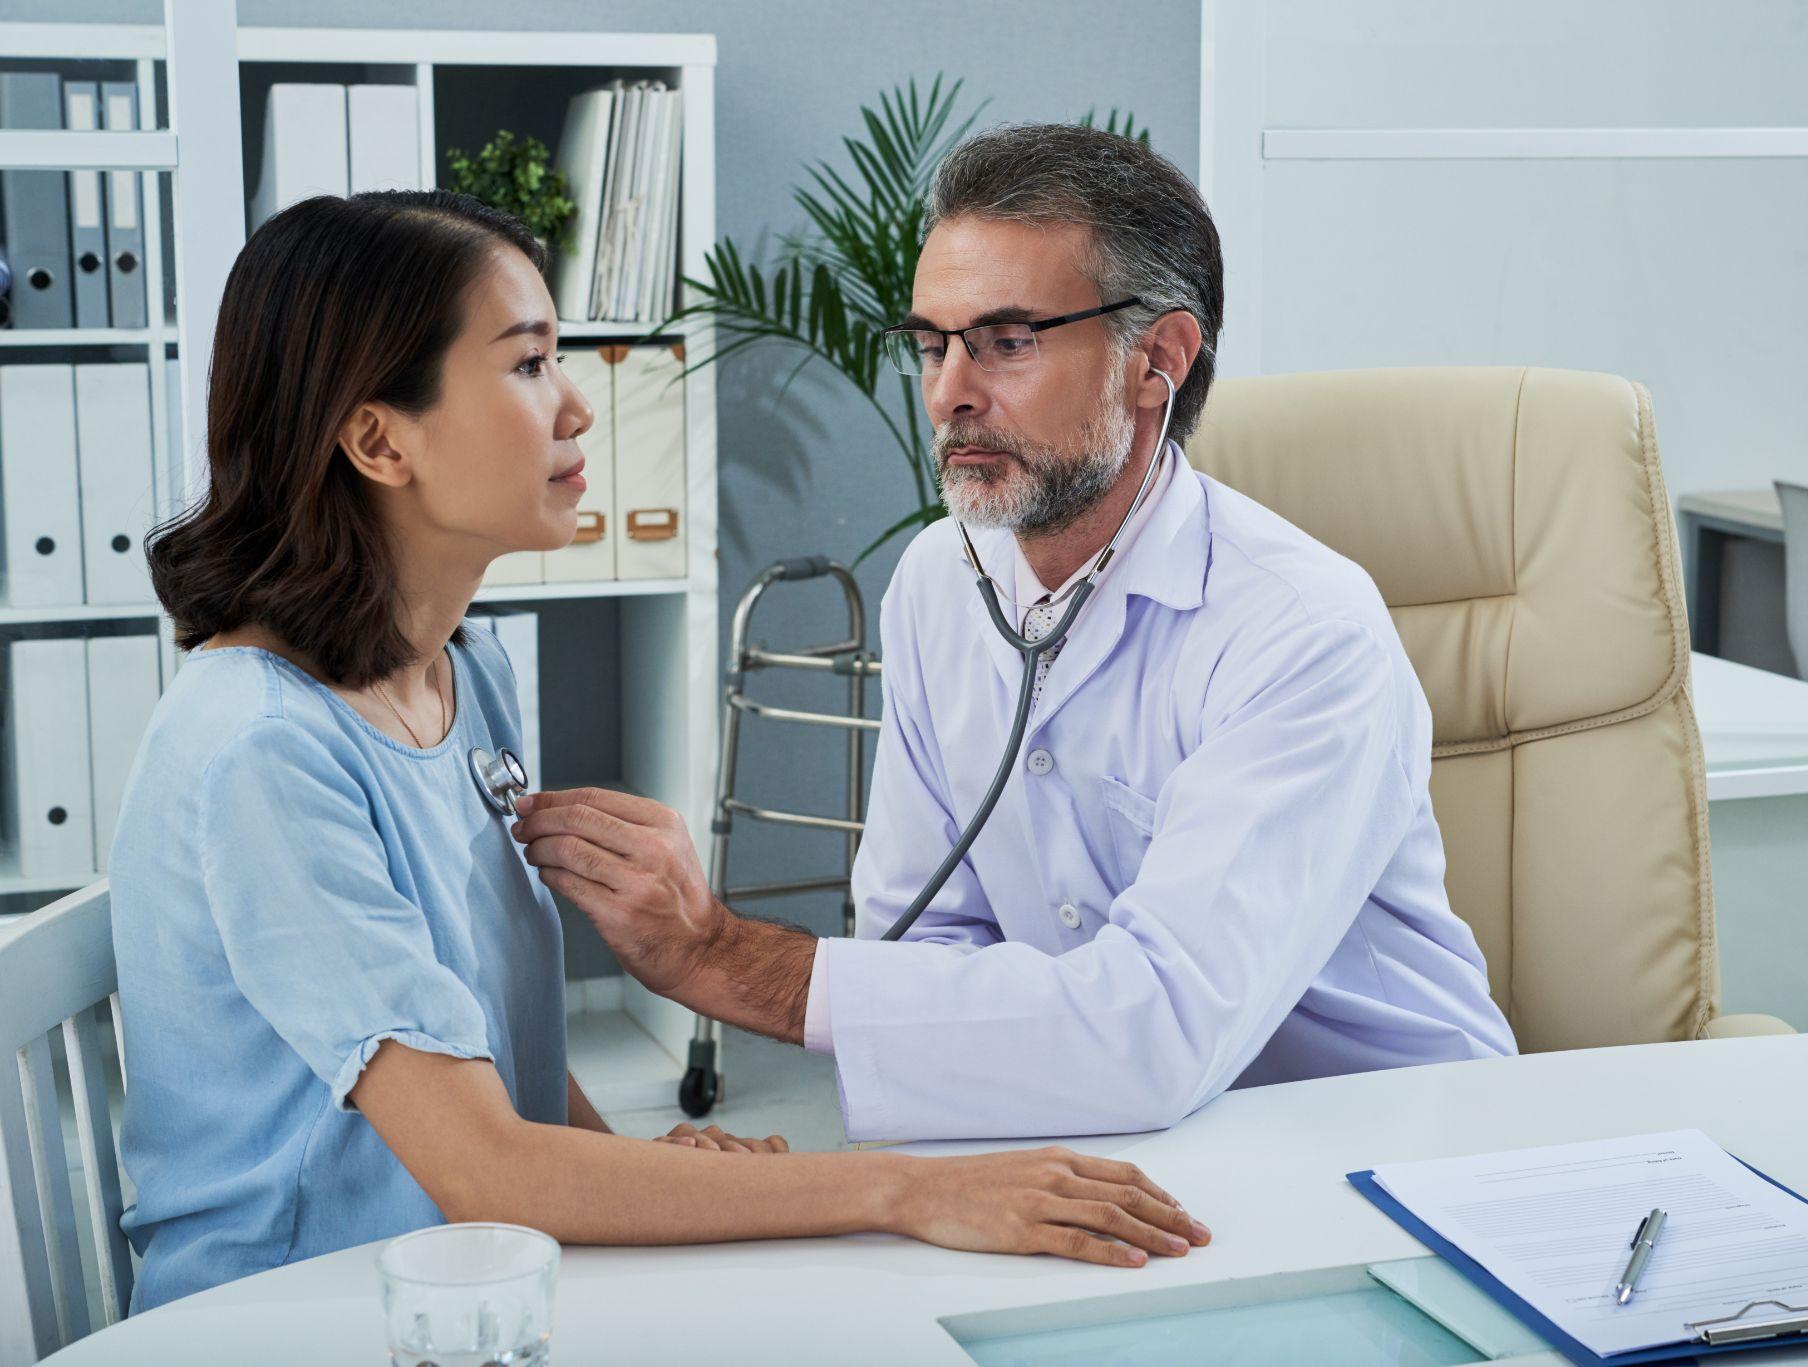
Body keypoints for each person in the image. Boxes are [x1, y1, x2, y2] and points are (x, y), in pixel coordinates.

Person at [108, 188, 1206, 1313]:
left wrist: (651, 1165)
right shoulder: (259, 750)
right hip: (292, 1315)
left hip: (474, 1279)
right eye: (529, 364)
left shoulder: (460, 669)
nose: (578, 408)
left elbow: (492, 1085)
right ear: (379, 438)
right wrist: (903, 1188)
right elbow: (486, 1162)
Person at [516, 124, 1516, 1145]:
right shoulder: (936, 581)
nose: (948, 391)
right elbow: (931, 932)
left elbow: (1154, 1028)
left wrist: (720, 956)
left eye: (1004, 341)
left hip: (1377, 1157)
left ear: (1156, 360)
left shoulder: (1302, 634)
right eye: (930, 342)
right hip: (1109, 1144)